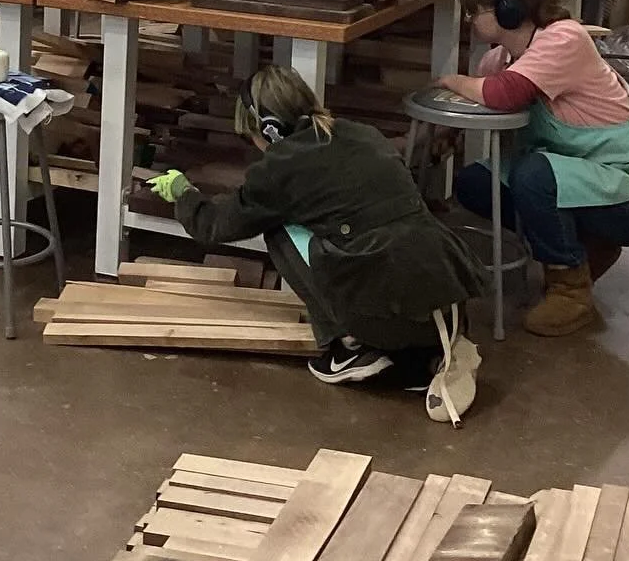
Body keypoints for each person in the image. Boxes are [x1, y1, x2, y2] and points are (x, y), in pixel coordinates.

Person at [146, 65, 487, 410]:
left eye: (250, 135)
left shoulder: (280, 167)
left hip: (388, 317)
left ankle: (350, 344)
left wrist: (184, 194)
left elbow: (216, 226)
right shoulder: (363, 133)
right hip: (448, 297)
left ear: (270, 129)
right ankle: (421, 352)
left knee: (276, 227)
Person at [439, 0, 629, 338]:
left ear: (507, 9)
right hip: (585, 177)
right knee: (476, 183)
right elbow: (489, 97)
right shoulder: (502, 58)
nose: (470, 20)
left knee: (533, 174)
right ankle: (585, 245)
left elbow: (504, 94)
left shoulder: (564, 39)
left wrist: (452, 81)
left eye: (474, 11)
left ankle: (570, 289)